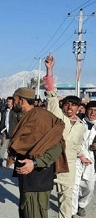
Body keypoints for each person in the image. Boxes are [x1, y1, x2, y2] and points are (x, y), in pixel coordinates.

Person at [6, 87, 67, 218]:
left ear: (21, 101)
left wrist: (34, 162)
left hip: (38, 180)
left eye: (14, 99)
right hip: (27, 179)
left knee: (35, 214)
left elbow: (56, 146)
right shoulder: (27, 116)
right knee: (25, 212)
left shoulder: (42, 118)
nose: (12, 102)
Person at [43, 54, 86, 218]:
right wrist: (49, 69)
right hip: (51, 163)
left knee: (66, 200)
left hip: (69, 167)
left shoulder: (82, 126)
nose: (70, 107)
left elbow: (76, 145)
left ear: (78, 108)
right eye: (67, 103)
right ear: (63, 105)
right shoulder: (58, 116)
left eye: (74, 105)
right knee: (43, 199)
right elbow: (51, 94)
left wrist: (81, 156)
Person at [71, 101, 96, 217]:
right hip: (76, 157)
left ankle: (81, 204)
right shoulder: (77, 120)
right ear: (86, 110)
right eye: (91, 109)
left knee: (89, 187)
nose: (93, 112)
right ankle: (71, 211)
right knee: (74, 186)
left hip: (91, 160)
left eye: (95, 110)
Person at [0, 96, 23, 167]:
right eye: (7, 101)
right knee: (2, 146)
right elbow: (2, 120)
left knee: (16, 148)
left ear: (13, 103)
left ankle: (18, 162)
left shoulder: (16, 111)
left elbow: (21, 122)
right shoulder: (5, 110)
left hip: (15, 133)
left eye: (9, 102)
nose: (8, 103)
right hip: (6, 132)